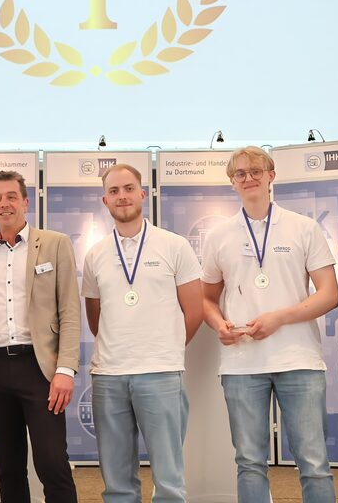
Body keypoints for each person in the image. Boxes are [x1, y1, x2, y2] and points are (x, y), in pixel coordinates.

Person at [201, 146, 338, 503]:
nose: (249, 178)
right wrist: (218, 325)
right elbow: (206, 299)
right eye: (241, 174)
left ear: (271, 176)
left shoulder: (303, 228)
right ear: (232, 182)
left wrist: (279, 318)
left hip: (299, 360)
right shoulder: (218, 236)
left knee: (314, 461)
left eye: (256, 171)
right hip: (242, 365)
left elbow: (329, 295)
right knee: (249, 462)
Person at [81, 164, 202, 503]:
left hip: (161, 374)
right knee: (117, 483)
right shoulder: (95, 255)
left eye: (129, 188)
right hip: (109, 377)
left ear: (143, 194)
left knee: (169, 481)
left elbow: (194, 312)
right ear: (105, 200)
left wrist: (165, 347)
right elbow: (96, 320)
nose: (123, 196)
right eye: (115, 191)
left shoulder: (174, 245)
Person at [0, 170, 80, 503]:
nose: (4, 204)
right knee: (8, 467)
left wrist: (65, 370)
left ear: (26, 202)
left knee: (52, 463)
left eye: (11, 196)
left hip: (39, 370)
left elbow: (69, 311)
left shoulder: (55, 244)